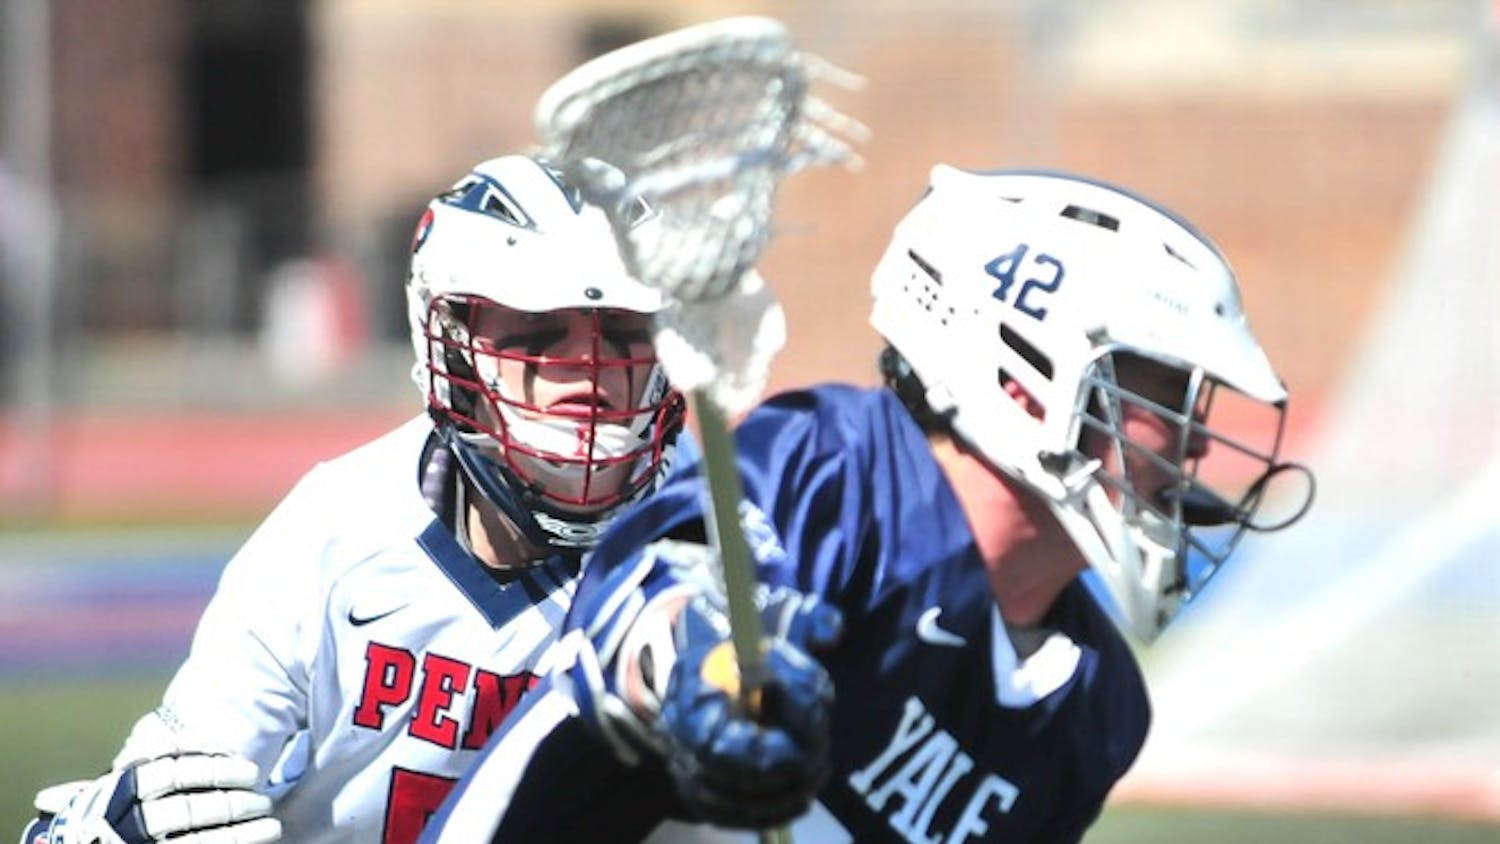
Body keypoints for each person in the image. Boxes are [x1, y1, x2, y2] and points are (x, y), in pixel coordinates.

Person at [420, 164, 1315, 843]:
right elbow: (655, 603)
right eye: (1166, 399)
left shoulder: (1096, 706)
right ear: (1027, 379)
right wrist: (709, 662)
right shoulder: (840, 469)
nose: (1196, 445)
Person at [21, 153, 696, 844]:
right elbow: (172, 790)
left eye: (624, 330)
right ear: (451, 344)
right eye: (536, 329)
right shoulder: (336, 532)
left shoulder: (712, 539)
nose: (586, 373)